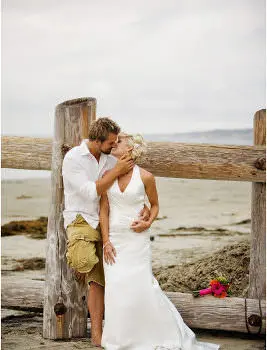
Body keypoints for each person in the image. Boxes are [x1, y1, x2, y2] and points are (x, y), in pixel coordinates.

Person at [99, 133, 220, 350]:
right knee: (116, 288)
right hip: (114, 240)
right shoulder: (108, 175)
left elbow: (154, 206)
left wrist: (148, 223)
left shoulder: (145, 176)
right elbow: (104, 209)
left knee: (140, 285)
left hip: (136, 240)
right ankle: (120, 339)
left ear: (131, 149)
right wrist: (105, 241)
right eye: (114, 142)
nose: (115, 143)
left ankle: (155, 334)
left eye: (120, 141)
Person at [62, 119, 149, 346]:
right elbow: (91, 192)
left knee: (99, 280)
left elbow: (132, 186)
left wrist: (144, 208)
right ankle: (81, 262)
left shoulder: (111, 157)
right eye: (111, 143)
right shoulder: (73, 158)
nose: (113, 146)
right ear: (96, 141)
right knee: (85, 261)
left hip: (106, 221)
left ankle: (97, 335)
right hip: (81, 218)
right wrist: (117, 170)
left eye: (115, 142)